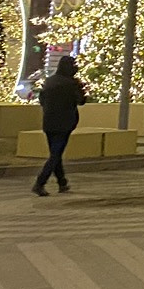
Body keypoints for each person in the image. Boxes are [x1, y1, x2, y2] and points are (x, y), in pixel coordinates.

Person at [32, 55, 86, 196]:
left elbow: (42, 100)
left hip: (49, 122)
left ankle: (62, 182)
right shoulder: (72, 83)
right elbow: (81, 101)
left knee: (55, 154)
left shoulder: (49, 81)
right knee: (55, 155)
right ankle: (40, 183)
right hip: (65, 123)